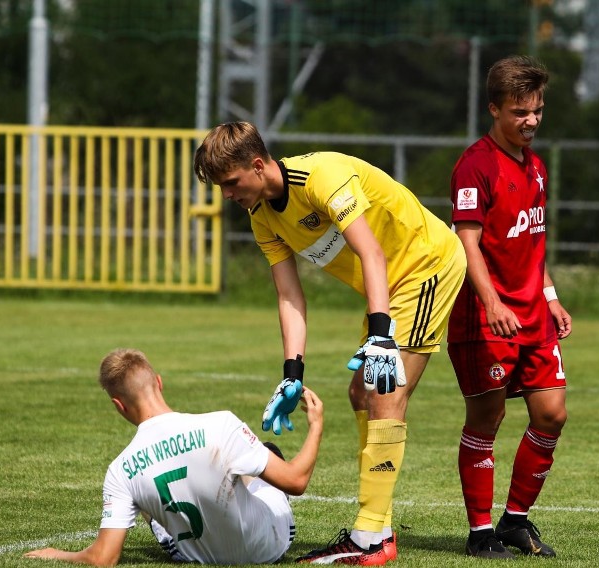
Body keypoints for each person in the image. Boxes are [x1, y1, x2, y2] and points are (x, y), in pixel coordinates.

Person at [194, 122, 467, 565]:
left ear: (257, 164)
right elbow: (289, 295)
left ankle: (370, 539)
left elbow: (371, 253)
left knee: (386, 393)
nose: (226, 194)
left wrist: (380, 333)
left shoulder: (320, 178)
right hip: (391, 284)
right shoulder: (262, 215)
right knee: (361, 391)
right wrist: (291, 374)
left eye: (230, 182)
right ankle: (379, 530)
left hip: (427, 263)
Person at [24, 348, 324, 566]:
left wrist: (59, 554)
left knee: (146, 502)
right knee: (267, 452)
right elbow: (296, 481)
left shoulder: (121, 469)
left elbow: (102, 558)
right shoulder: (221, 423)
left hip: (200, 558)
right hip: (266, 549)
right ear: (159, 381)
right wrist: (316, 425)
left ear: (118, 406)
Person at [447, 55, 572, 560]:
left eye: (538, 110)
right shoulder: (474, 166)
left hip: (533, 316)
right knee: (487, 417)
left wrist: (552, 297)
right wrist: (493, 302)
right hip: (485, 318)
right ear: (494, 108)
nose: (532, 121)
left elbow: (532, 243)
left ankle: (515, 520)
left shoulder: (537, 166)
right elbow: (468, 244)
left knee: (552, 414)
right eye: (521, 112)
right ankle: (480, 533)